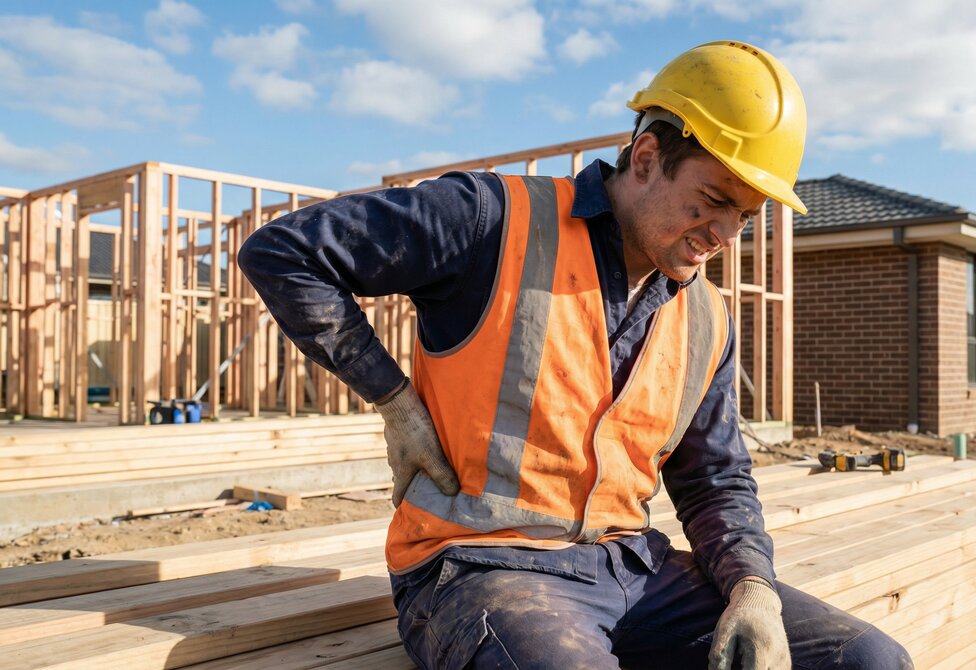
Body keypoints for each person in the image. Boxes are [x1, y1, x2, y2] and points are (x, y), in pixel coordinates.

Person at [240, 40, 912, 670]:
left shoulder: (706, 316)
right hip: (479, 568)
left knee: (869, 660)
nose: (725, 234)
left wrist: (752, 586)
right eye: (714, 201)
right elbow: (285, 253)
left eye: (746, 215)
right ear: (645, 158)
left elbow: (714, 478)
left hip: (633, 571)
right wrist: (393, 402)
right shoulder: (490, 219)